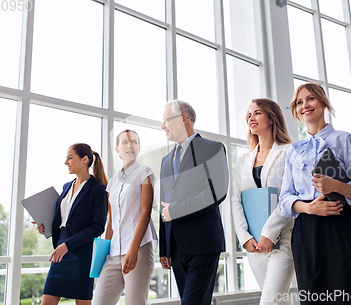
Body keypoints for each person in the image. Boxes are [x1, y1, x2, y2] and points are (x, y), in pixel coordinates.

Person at [279, 83, 351, 304]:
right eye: (299, 102)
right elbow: (284, 199)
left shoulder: (344, 139)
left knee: (346, 294)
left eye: (310, 99)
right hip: (306, 230)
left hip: (340, 224)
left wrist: (334, 186)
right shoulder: (294, 150)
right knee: (312, 297)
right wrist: (309, 207)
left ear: (322, 102)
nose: (304, 105)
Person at [158, 100, 229, 305]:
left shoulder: (213, 148)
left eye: (166, 120)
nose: (162, 126)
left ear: (183, 119)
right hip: (176, 247)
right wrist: (164, 248)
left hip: (203, 241)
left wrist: (177, 210)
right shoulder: (166, 160)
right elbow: (164, 204)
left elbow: (217, 191)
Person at [231, 98, 295, 304]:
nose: (251, 117)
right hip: (254, 244)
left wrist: (270, 233)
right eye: (249, 115)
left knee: (270, 301)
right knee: (280, 301)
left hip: (283, 239)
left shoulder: (289, 152)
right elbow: (235, 200)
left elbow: (288, 196)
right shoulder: (243, 160)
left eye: (257, 113)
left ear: (271, 117)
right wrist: (244, 237)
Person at [35, 143, 108, 305]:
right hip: (60, 254)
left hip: (82, 256)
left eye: (69, 157)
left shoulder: (98, 189)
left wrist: (68, 244)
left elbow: (97, 226)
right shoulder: (66, 187)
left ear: (84, 159)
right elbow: (62, 219)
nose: (65, 162)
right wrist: (45, 226)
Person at [92, 130, 158, 305]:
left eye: (134, 142)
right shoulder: (112, 183)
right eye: (124, 142)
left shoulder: (145, 172)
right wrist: (104, 254)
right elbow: (112, 222)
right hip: (112, 254)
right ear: (117, 149)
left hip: (138, 249)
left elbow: (146, 213)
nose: (130, 145)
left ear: (139, 148)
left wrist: (133, 250)